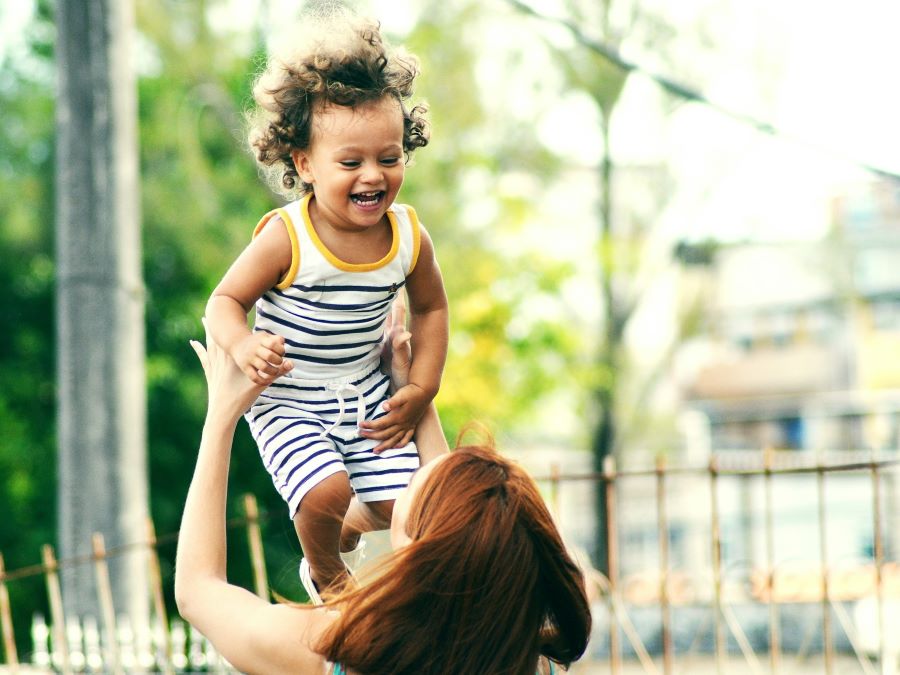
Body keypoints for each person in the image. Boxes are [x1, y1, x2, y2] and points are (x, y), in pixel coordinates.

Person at [178, 322, 592, 675]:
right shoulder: (529, 657)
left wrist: (220, 419)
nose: (405, 478)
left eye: (411, 485)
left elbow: (198, 590)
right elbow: (462, 533)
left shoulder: (334, 650)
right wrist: (410, 392)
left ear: (418, 550)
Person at [204, 11, 449, 602]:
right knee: (322, 492)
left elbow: (433, 310)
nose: (373, 176)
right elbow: (223, 300)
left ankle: (345, 526)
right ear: (304, 163)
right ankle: (329, 578)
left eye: (389, 158)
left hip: (364, 392)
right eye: (351, 162)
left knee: (407, 509)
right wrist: (243, 344)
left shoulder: (409, 237)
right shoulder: (288, 237)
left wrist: (421, 389)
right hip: (289, 396)